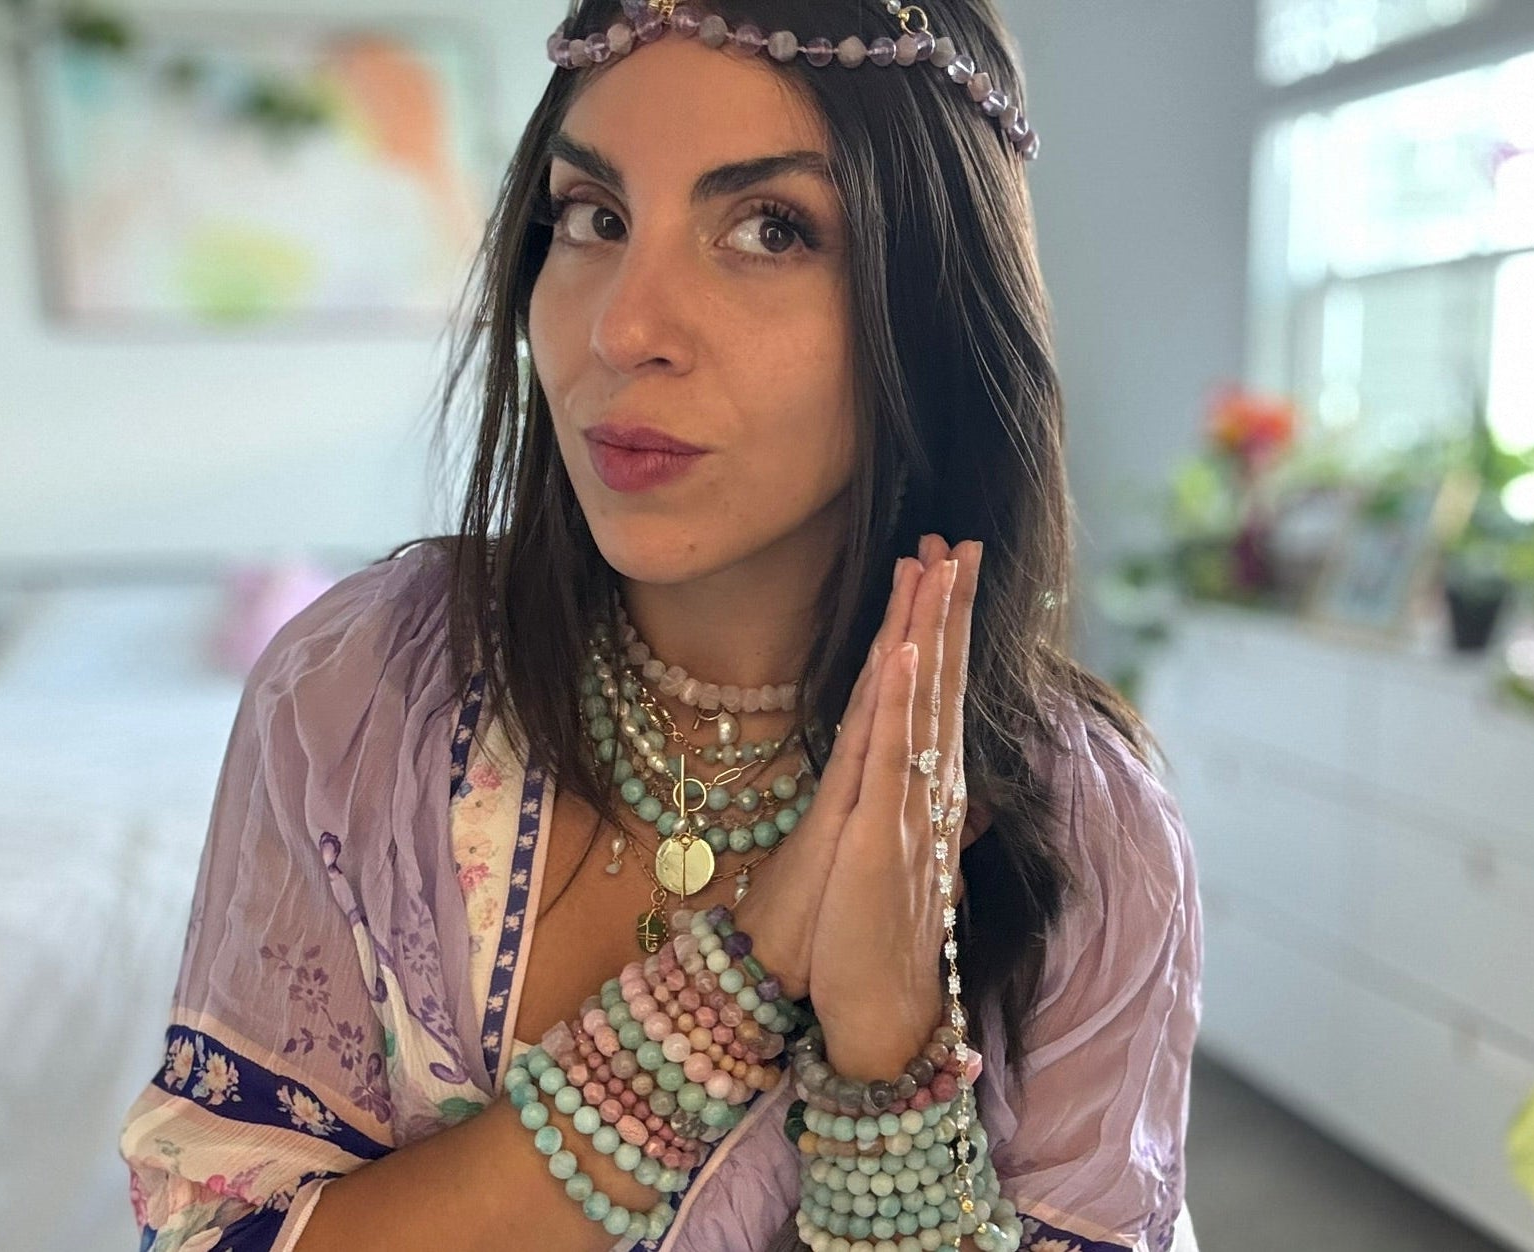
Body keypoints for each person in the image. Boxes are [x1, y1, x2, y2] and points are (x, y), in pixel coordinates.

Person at [118, 1, 1204, 1249]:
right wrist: (721, 995)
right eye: (593, 216)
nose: (621, 328)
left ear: (938, 308)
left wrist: (884, 1074)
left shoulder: (1085, 826)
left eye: (769, 228)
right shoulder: (363, 691)